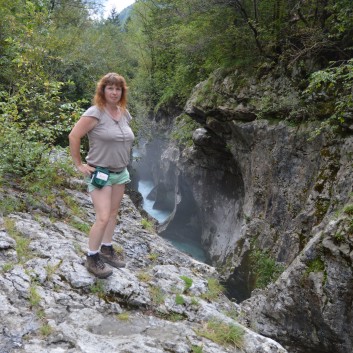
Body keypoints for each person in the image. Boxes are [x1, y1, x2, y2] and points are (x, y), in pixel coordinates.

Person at [69, 73, 135, 278]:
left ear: (122, 92)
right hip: (100, 172)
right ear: (103, 90)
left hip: (120, 172)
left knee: (113, 213)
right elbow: (74, 135)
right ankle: (92, 257)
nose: (114, 92)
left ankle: (107, 249)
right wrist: (79, 164)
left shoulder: (123, 112)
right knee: (103, 217)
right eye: (110, 88)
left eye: (118, 89)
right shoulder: (95, 112)